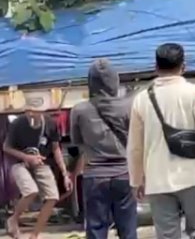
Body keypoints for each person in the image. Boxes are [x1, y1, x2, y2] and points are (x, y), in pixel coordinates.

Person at [127, 43, 195, 239]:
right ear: (183, 67)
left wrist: (136, 180)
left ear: (156, 67)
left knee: (167, 236)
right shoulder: (194, 93)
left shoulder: (141, 99)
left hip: (157, 180)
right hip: (193, 175)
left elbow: (135, 147)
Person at [70, 59, 136, 239]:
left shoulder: (79, 110)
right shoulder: (127, 107)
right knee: (128, 230)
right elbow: (135, 140)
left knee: (96, 230)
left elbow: (77, 142)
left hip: (94, 176)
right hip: (124, 174)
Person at [4, 92, 72, 239]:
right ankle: (13, 219)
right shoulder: (18, 123)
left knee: (52, 197)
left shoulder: (49, 123)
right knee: (30, 191)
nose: (34, 114)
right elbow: (6, 147)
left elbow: (56, 148)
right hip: (20, 163)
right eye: (31, 110)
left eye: (38, 111)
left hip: (41, 162)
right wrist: (27, 157)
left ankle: (34, 235)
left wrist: (65, 174)